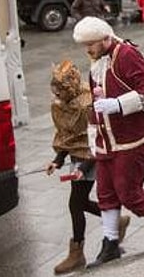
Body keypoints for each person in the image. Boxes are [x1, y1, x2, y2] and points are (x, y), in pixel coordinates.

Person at [72, 16, 144, 266]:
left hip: (130, 140)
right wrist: (93, 139)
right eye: (84, 45)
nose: (87, 49)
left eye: (90, 43)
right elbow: (95, 104)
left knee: (128, 192)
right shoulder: (97, 62)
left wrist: (119, 104)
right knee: (106, 193)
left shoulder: (127, 54)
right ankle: (110, 243)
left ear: (104, 38)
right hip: (105, 141)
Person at [46, 61, 129, 274]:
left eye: (60, 88)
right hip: (77, 157)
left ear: (69, 86)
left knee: (76, 203)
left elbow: (97, 137)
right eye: (54, 88)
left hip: (91, 157)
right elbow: (69, 136)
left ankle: (77, 253)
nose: (57, 93)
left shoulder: (86, 104)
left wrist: (84, 166)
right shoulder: (61, 104)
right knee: (79, 202)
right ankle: (115, 220)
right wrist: (57, 159)